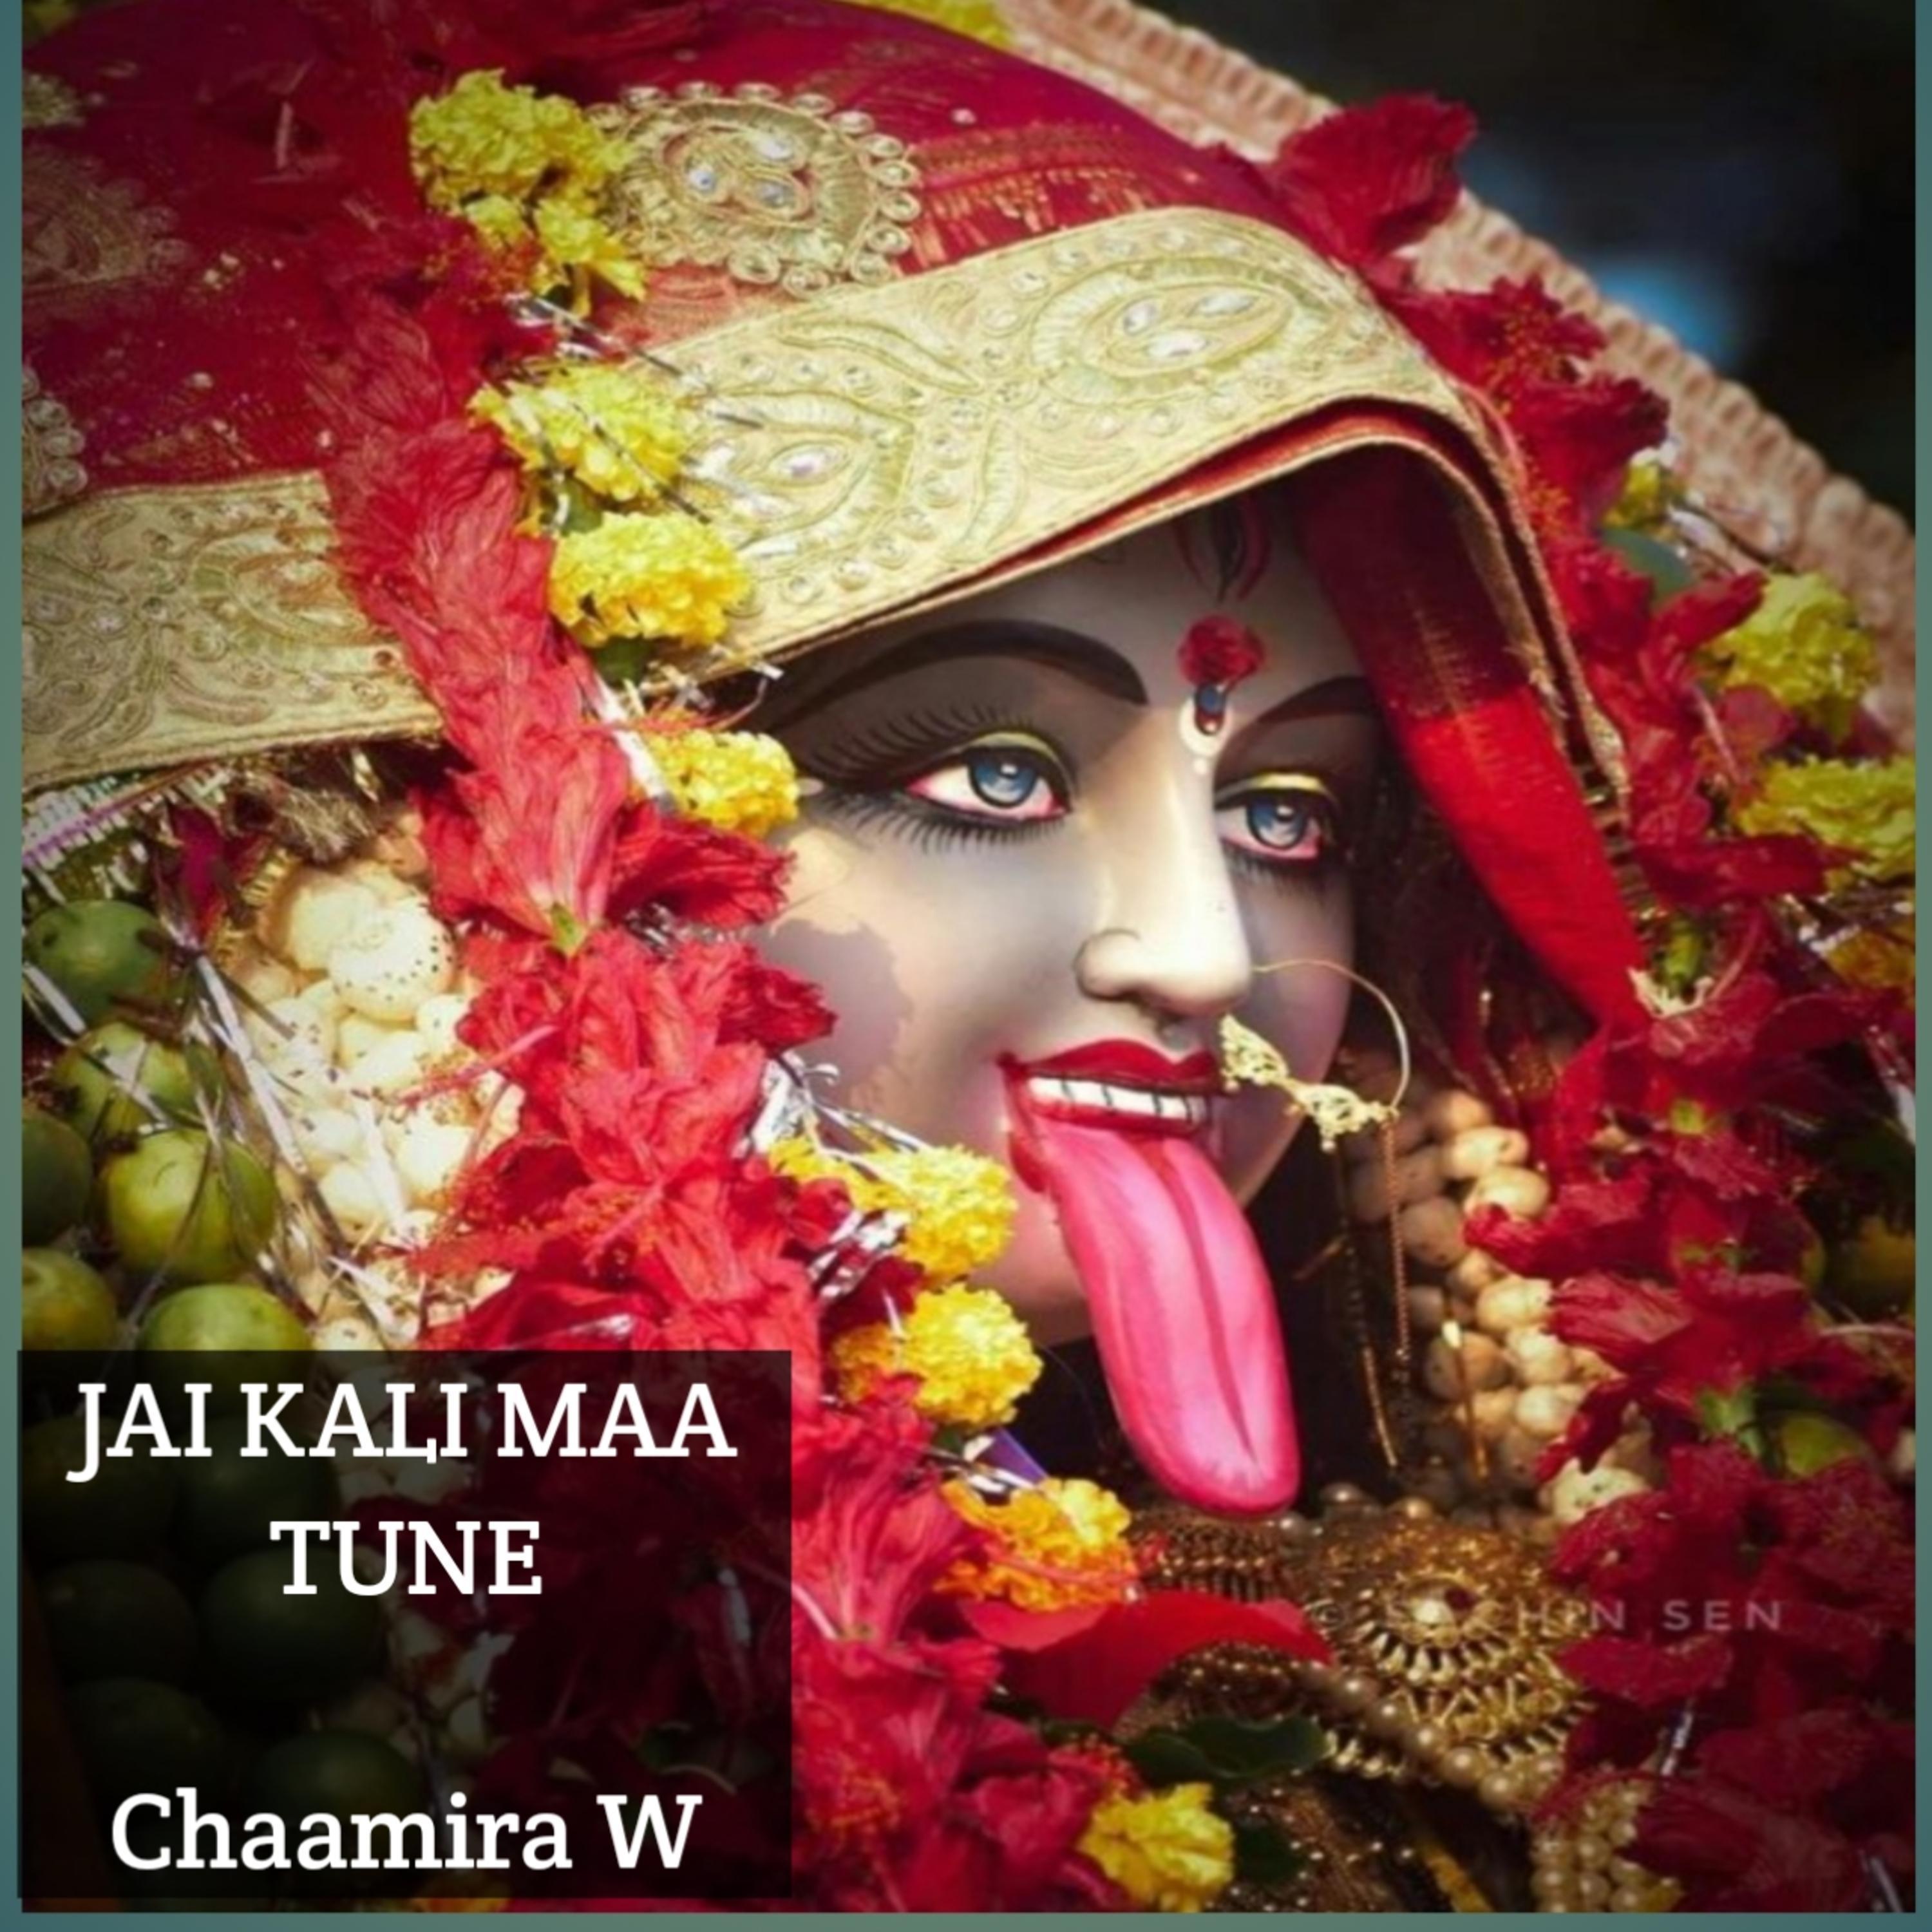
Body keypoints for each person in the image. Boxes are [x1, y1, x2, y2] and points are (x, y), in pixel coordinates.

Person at [21, 0, 1913, 1911]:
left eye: (1290, 819)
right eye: (996, 776)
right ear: (500, 825)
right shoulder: (167, 1622)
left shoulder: (1540, 1684)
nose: (1201, 955)